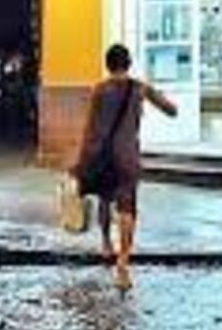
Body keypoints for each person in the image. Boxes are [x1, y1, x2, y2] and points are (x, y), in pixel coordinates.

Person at [74, 44, 178, 290]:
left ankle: (105, 243)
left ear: (107, 64)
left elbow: (90, 128)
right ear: (128, 63)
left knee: (104, 199)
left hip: (104, 154)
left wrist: (82, 160)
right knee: (127, 207)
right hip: (128, 155)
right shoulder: (140, 88)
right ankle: (123, 261)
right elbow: (172, 110)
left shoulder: (100, 90)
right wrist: (153, 97)